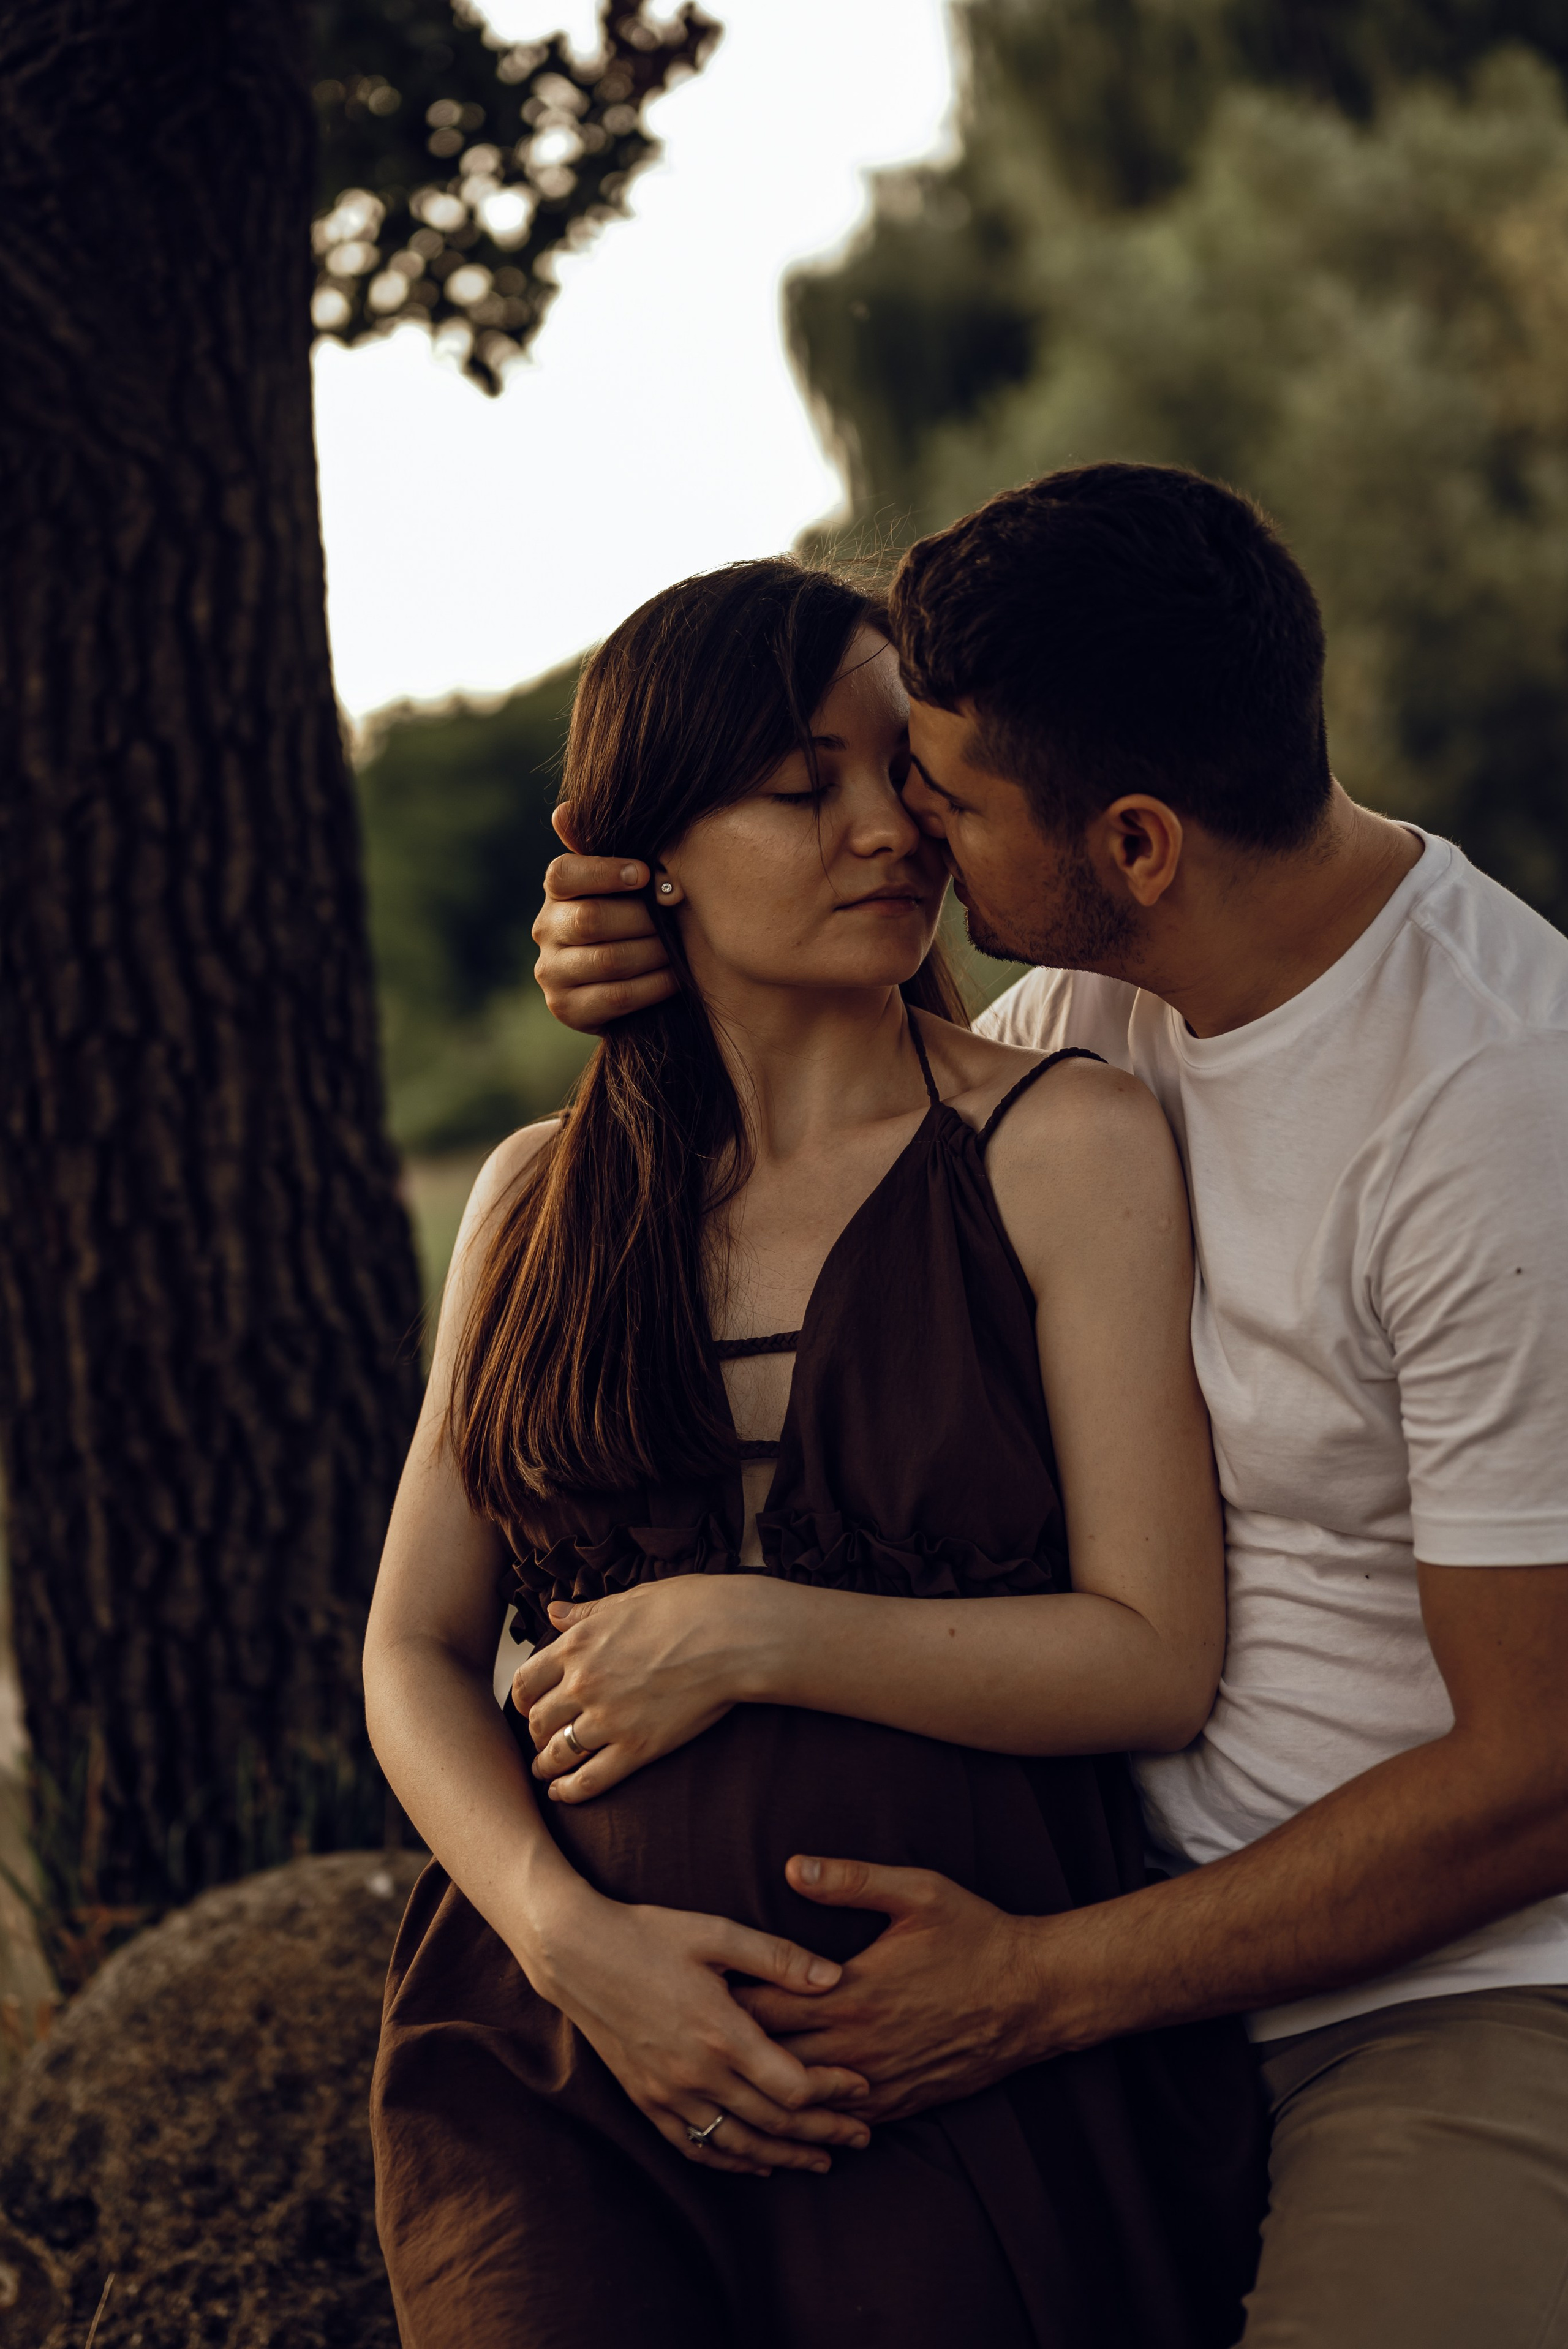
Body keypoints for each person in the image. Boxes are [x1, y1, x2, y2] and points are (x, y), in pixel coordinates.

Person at [530, 465, 1568, 2349]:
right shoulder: (1092, 1004)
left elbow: (1544, 1771)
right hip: (1105, 1942)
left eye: (943, 792)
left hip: (1443, 1992)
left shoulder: (1497, 1119)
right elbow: (847, 1084)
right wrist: (657, 955)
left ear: (1138, 841)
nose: (906, 832)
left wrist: (1043, 1986)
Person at [364, 555, 1266, 2349]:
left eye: (904, 776)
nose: (888, 830)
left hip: (938, 2045)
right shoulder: (535, 1197)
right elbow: (411, 1646)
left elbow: (1153, 1654)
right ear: (645, 853)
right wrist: (566, 1938)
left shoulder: (1060, 1144)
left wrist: (752, 1632)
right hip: (569, 2057)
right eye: (803, 786)